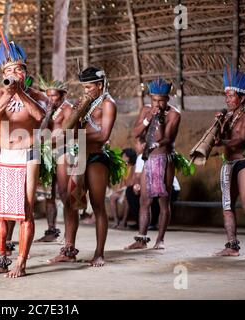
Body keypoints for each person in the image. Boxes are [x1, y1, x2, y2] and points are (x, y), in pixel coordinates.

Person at [0, 23, 47, 278]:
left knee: (26, 209)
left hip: (28, 154)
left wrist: (21, 93)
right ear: (3, 74)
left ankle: (21, 260)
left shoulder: (37, 95)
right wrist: (9, 94)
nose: (14, 73)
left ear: (25, 72)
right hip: (3, 154)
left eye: (18, 69)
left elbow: (40, 117)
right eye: (9, 70)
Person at [48, 67, 117, 267]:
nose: (86, 91)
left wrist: (74, 135)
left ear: (100, 85)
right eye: (84, 87)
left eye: (89, 87)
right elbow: (75, 129)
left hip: (96, 157)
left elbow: (103, 136)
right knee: (70, 202)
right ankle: (68, 250)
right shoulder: (86, 103)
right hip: (78, 156)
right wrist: (77, 115)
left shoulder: (108, 105)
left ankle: (99, 253)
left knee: (97, 206)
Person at [124, 77, 181, 250]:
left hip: (164, 159)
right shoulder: (146, 110)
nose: (157, 104)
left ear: (167, 99)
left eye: (161, 100)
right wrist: (149, 119)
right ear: (150, 98)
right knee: (144, 201)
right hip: (148, 159)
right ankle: (141, 239)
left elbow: (167, 138)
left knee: (164, 202)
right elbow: (135, 132)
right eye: (154, 100)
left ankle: (160, 240)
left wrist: (159, 120)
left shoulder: (174, 114)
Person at [213, 63, 245, 260]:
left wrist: (221, 141)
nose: (227, 99)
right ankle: (232, 245)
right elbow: (221, 136)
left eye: (231, 96)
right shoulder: (228, 116)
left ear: (242, 97)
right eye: (226, 96)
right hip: (229, 163)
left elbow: (241, 140)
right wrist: (220, 123)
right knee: (227, 205)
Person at [34, 76, 74, 242]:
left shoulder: (68, 109)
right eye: (48, 95)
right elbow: (39, 130)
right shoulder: (47, 109)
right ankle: (51, 231)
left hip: (63, 152)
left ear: (62, 95)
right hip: (48, 153)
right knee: (49, 194)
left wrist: (45, 141)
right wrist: (48, 113)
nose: (50, 99)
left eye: (54, 96)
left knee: (64, 194)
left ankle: (69, 234)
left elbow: (68, 134)